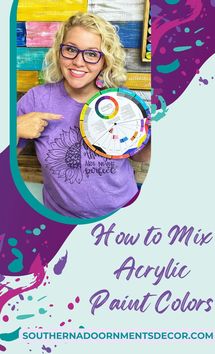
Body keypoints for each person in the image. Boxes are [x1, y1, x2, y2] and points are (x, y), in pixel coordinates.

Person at [17, 12, 151, 219]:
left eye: (91, 54)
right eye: (71, 49)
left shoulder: (121, 102)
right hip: (60, 218)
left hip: (123, 214)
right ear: (59, 52)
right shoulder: (37, 99)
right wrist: (13, 128)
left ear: (105, 61)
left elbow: (139, 155)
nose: (79, 62)